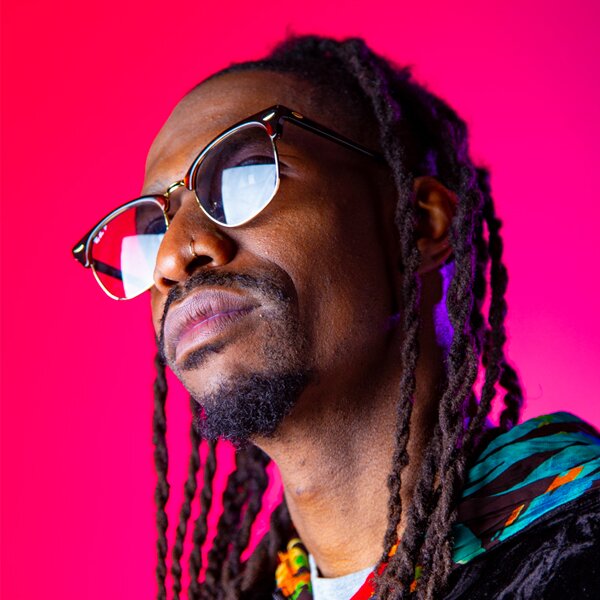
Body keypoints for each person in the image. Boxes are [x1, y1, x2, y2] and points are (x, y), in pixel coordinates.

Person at [72, 36, 600, 599]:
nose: (172, 257)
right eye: (153, 231)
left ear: (419, 225)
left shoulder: (577, 548)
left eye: (245, 176)